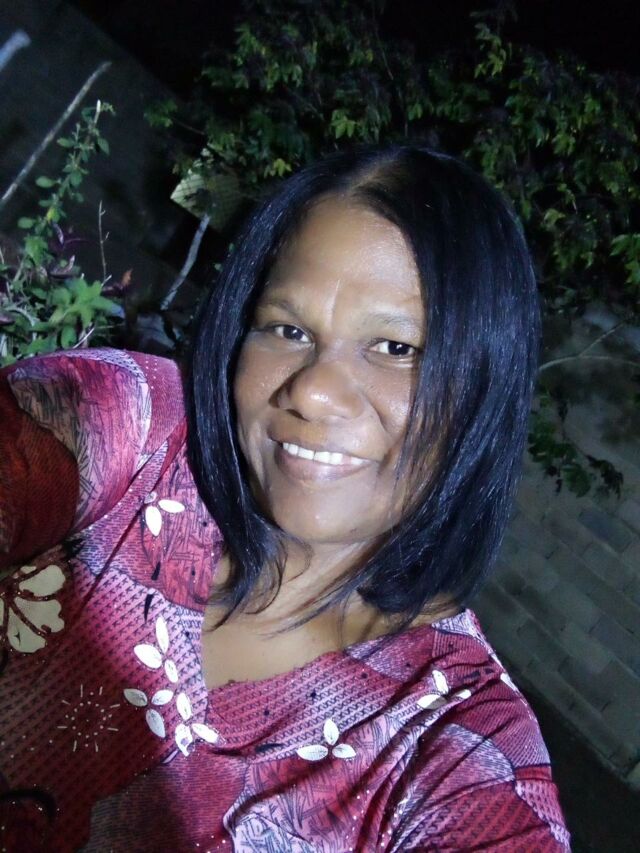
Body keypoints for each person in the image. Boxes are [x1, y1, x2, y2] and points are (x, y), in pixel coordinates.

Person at [0, 143, 570, 851]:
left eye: (396, 348)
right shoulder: (125, 432)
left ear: (484, 388)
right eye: (288, 330)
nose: (313, 390)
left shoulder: (454, 752)